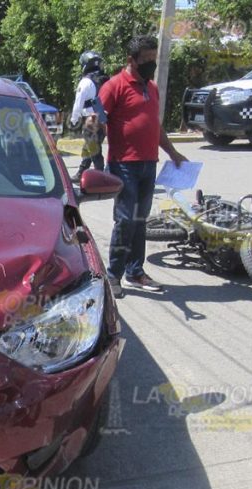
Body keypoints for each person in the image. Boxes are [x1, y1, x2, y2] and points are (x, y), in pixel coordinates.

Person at [98, 35, 188, 298]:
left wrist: (172, 152)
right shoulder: (114, 86)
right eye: (146, 60)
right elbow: (97, 120)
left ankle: (135, 272)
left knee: (140, 221)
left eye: (153, 59)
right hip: (124, 164)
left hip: (149, 164)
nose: (151, 65)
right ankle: (113, 274)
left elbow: (155, 126)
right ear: (131, 59)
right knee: (125, 220)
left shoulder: (152, 87)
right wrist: (92, 129)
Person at [69, 51, 107, 182]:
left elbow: (78, 102)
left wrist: (74, 119)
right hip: (103, 119)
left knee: (94, 149)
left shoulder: (85, 82)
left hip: (90, 120)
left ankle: (101, 177)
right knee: (89, 147)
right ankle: (81, 172)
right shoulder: (105, 79)